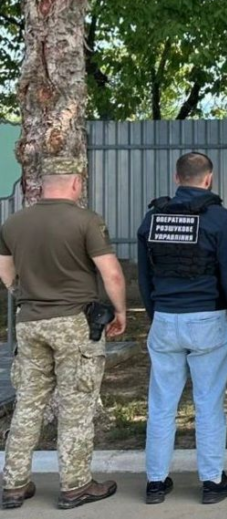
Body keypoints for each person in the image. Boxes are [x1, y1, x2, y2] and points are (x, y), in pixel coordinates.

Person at [0, 157, 127, 510]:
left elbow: (5, 269)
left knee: (28, 403)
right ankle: (75, 485)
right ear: (75, 183)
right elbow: (112, 273)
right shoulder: (86, 221)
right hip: (73, 322)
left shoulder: (13, 222)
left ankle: (13, 484)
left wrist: (21, 292)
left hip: (30, 322)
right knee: (76, 405)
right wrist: (119, 311)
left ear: (42, 185)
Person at [136, 152, 227, 505]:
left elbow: (144, 276)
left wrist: (156, 313)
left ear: (176, 177)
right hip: (207, 320)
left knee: (161, 404)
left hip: (165, 318)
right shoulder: (220, 219)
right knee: (209, 403)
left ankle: (155, 482)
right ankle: (212, 482)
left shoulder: (153, 217)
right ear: (209, 179)